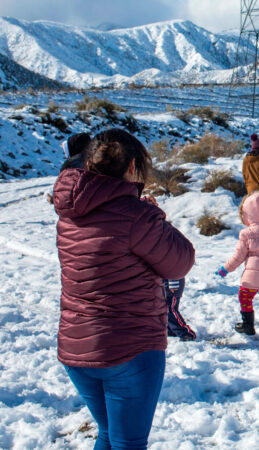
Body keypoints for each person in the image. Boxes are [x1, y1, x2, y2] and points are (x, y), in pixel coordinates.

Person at [53, 128, 196, 449]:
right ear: (132, 167)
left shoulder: (68, 215)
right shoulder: (138, 216)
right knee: (128, 443)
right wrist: (156, 217)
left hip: (77, 349)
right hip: (129, 350)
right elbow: (181, 261)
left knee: (108, 435)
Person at [216, 192, 259, 336]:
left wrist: (225, 269)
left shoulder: (246, 233)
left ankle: (248, 326)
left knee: (245, 297)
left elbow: (238, 256)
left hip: (252, 277)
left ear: (247, 213)